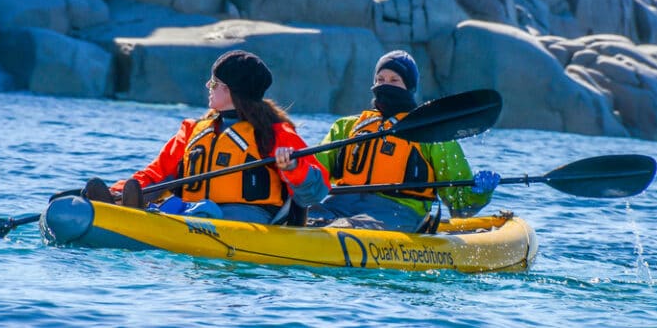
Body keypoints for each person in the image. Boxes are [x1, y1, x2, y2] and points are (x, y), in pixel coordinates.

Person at [83, 50, 330, 225]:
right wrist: (117, 191)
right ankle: (117, 205)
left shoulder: (275, 133)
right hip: (192, 213)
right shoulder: (193, 130)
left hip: (247, 219)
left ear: (230, 90)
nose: (207, 86)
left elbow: (317, 192)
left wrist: (293, 167)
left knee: (203, 211)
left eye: (214, 83)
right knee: (182, 207)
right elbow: (156, 173)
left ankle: (157, 216)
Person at [303, 50, 501, 232]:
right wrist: (290, 168)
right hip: (339, 205)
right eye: (380, 80)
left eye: (394, 80)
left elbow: (460, 205)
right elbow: (313, 174)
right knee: (301, 217)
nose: (385, 85)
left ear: (409, 87)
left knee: (345, 227)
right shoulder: (346, 127)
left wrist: (479, 192)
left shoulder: (431, 134)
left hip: (398, 212)